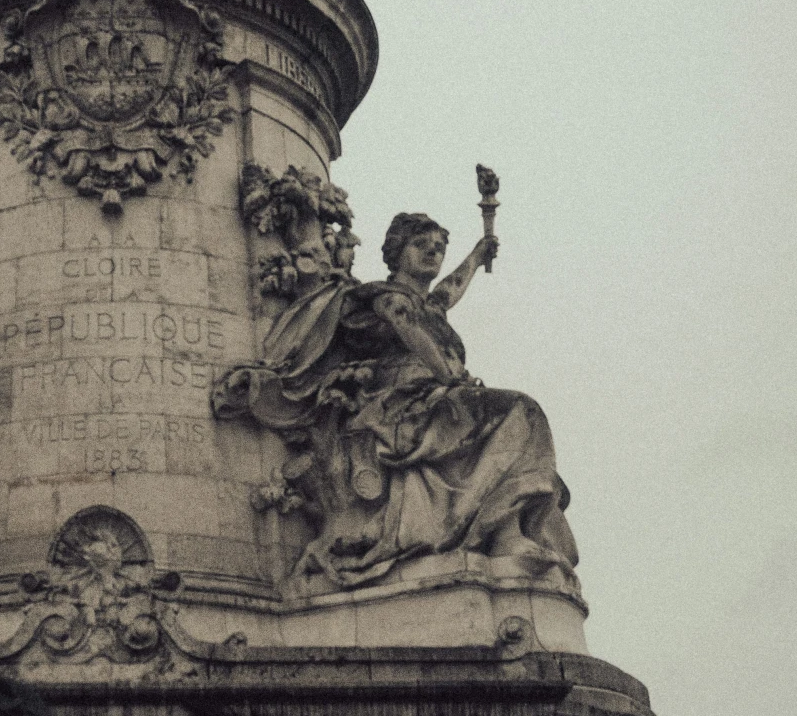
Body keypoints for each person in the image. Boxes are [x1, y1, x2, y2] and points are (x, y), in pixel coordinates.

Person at [215, 213, 577, 586]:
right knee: (519, 411)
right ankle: (501, 532)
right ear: (396, 252)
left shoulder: (428, 307)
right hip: (398, 405)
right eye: (421, 245)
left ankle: (508, 529)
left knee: (523, 415)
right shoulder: (381, 297)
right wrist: (450, 377)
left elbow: (447, 291)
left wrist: (476, 255)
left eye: (439, 248)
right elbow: (406, 324)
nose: (433, 253)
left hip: (435, 395)